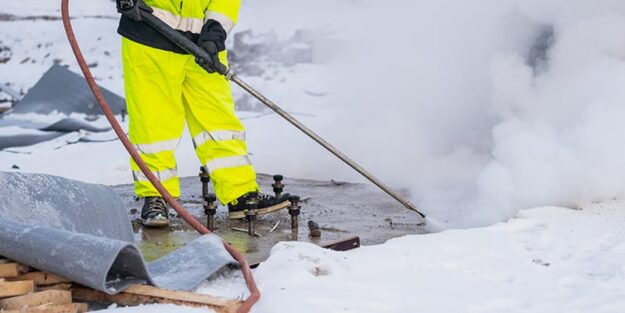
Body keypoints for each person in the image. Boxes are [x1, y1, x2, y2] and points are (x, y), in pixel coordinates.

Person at [115, 0, 289, 227]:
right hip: (149, 35)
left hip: (203, 45)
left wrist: (215, 33)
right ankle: (156, 195)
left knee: (219, 122)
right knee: (153, 126)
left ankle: (240, 193)